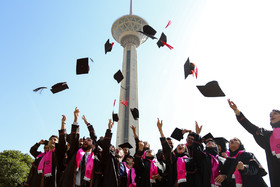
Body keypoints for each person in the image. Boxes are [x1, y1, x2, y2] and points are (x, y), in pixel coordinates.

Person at [228, 99, 280, 187]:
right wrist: (237, 111)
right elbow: (251, 128)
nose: (271, 116)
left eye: (275, 113)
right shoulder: (267, 136)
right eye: (270, 115)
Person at [60, 108, 102, 187]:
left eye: (88, 140)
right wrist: (76, 119)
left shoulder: (96, 160)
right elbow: (74, 138)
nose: (85, 141)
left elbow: (93, 136)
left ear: (93, 145)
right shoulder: (76, 152)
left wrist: (87, 123)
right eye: (85, 140)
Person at [157, 118, 196, 187]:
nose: (180, 145)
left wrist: (193, 133)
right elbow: (166, 148)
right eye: (178, 145)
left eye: (182, 145)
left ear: (186, 149)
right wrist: (160, 130)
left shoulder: (191, 160)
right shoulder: (173, 159)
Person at [37, 115, 67, 187]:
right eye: (51, 139)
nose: (53, 140)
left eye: (55, 139)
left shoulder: (59, 152)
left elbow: (62, 140)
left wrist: (63, 123)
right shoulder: (42, 157)